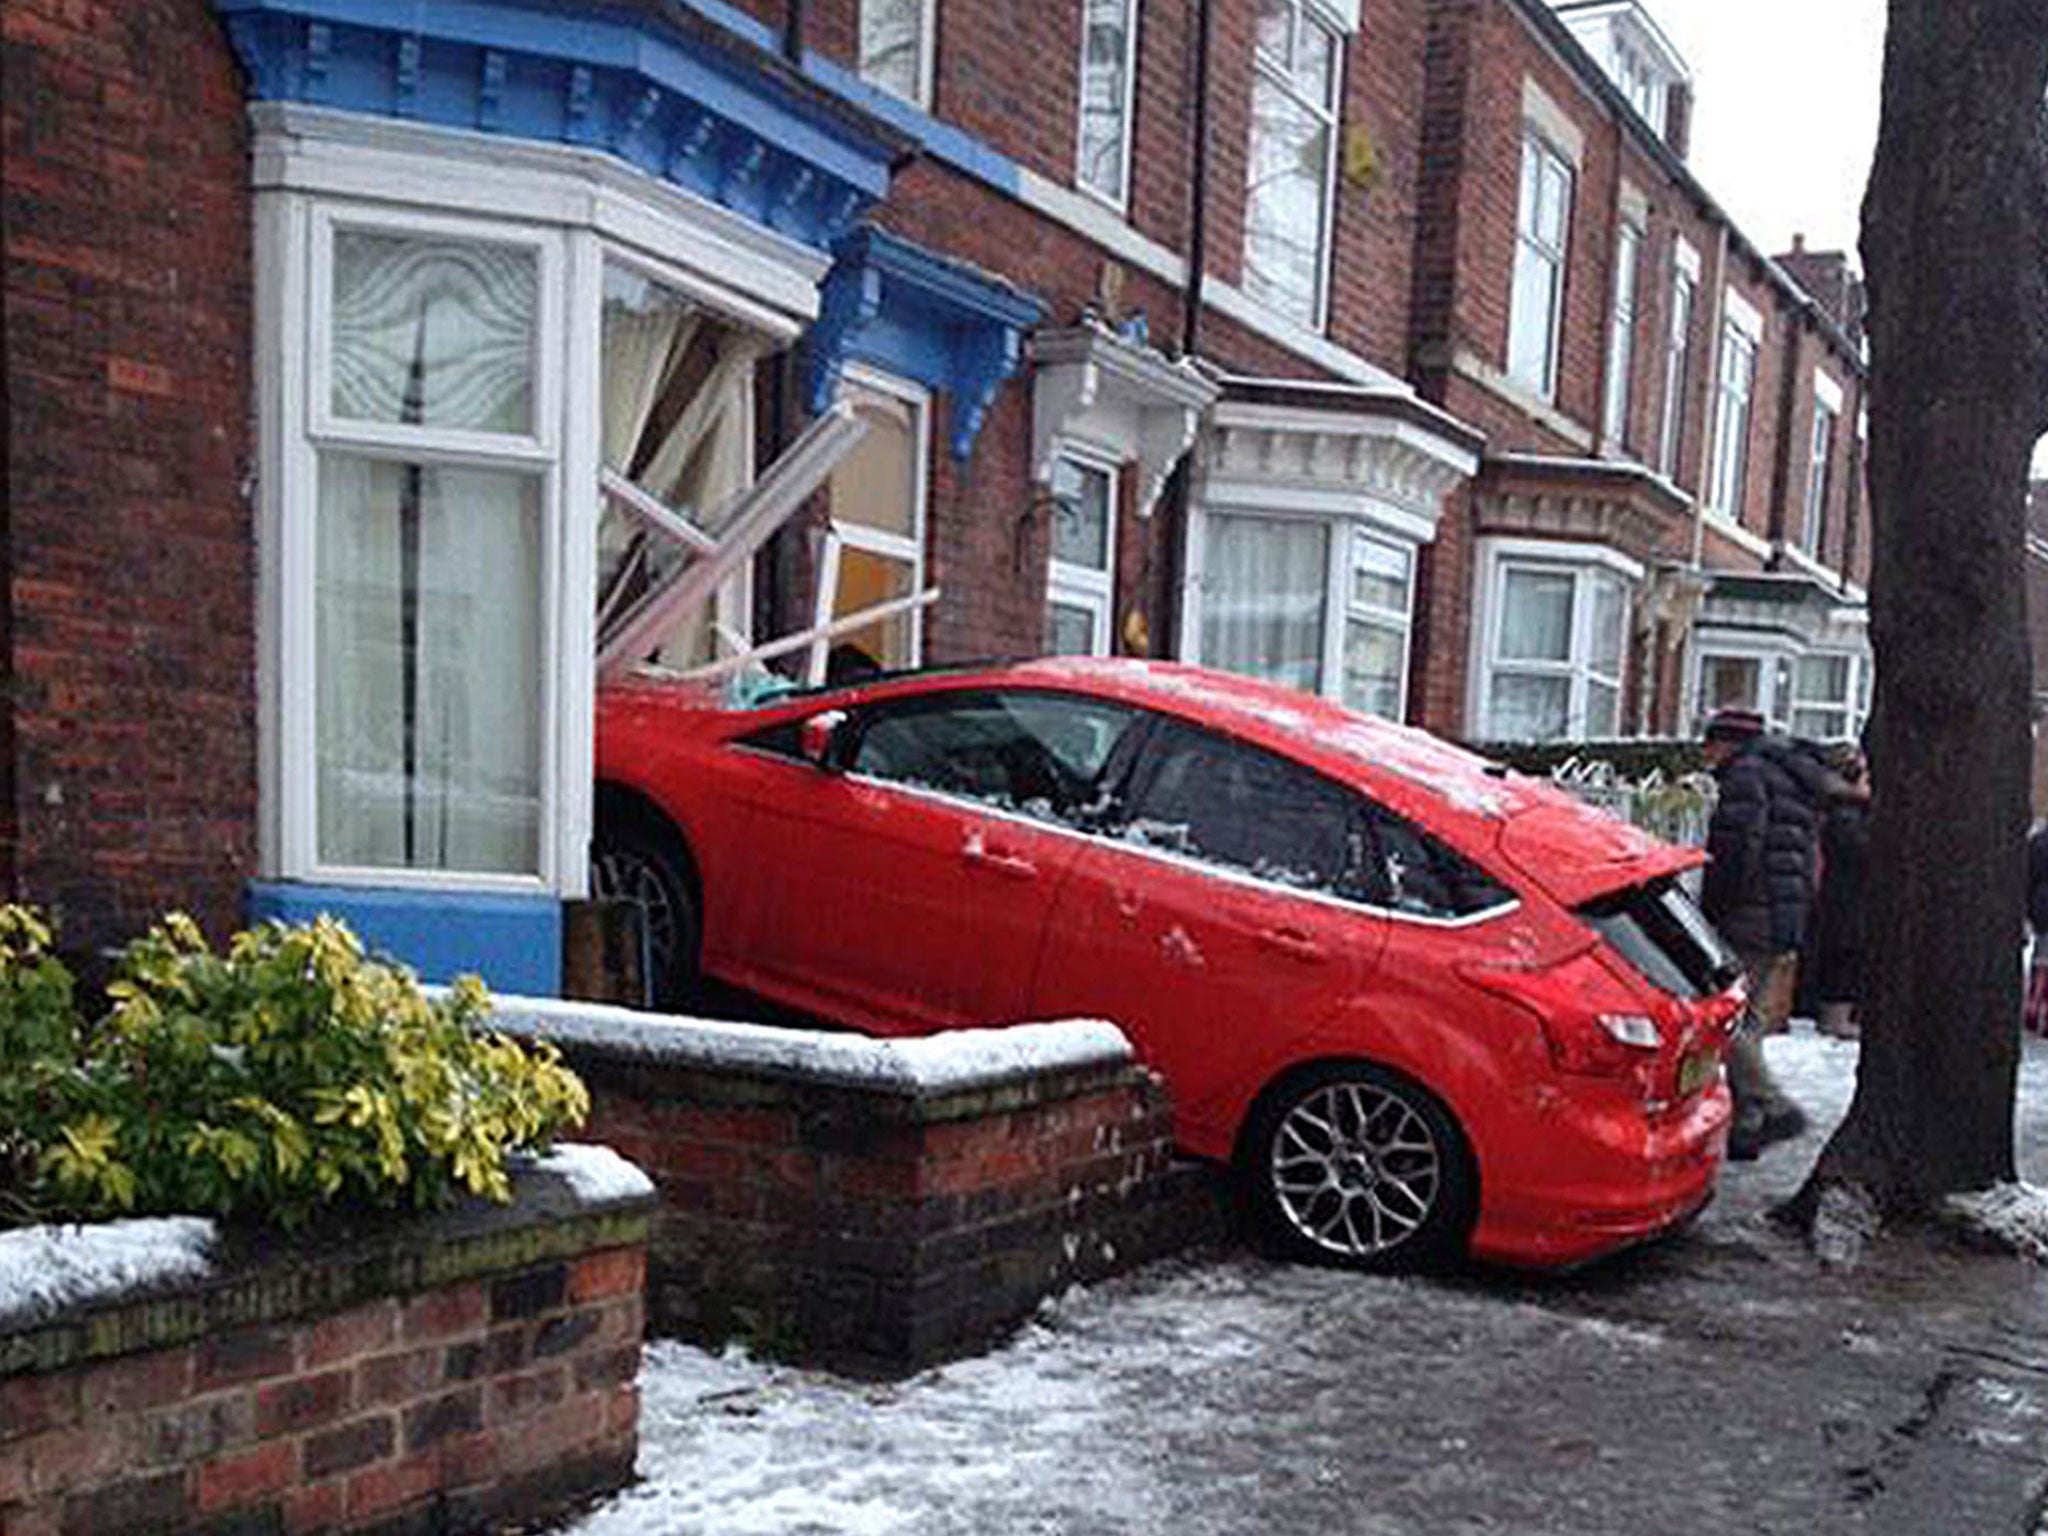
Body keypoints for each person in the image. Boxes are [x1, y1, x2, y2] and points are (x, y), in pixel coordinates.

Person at [1699, 708, 1857, 1159]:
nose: (1707, 755)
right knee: (1749, 1017)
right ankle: (1748, 1125)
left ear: (1727, 742)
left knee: (1727, 1018)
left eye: (1710, 744)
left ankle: (1772, 1104)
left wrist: (1714, 908)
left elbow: (1737, 850)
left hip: (1749, 914)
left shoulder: (1747, 775)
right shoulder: (1789, 776)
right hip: (1783, 912)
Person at [1809, 742, 1871, 1040]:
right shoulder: (1845, 814)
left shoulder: (1846, 812)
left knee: (1849, 955)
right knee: (1843, 956)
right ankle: (1836, 1015)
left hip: (1848, 899)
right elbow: (1860, 851)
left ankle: (1842, 1013)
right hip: (1843, 900)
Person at [2024, 820, 2048, 1035]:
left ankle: (2034, 1002)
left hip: (2042, 908)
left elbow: (2029, 877)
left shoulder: (2038, 842)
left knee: (2041, 959)